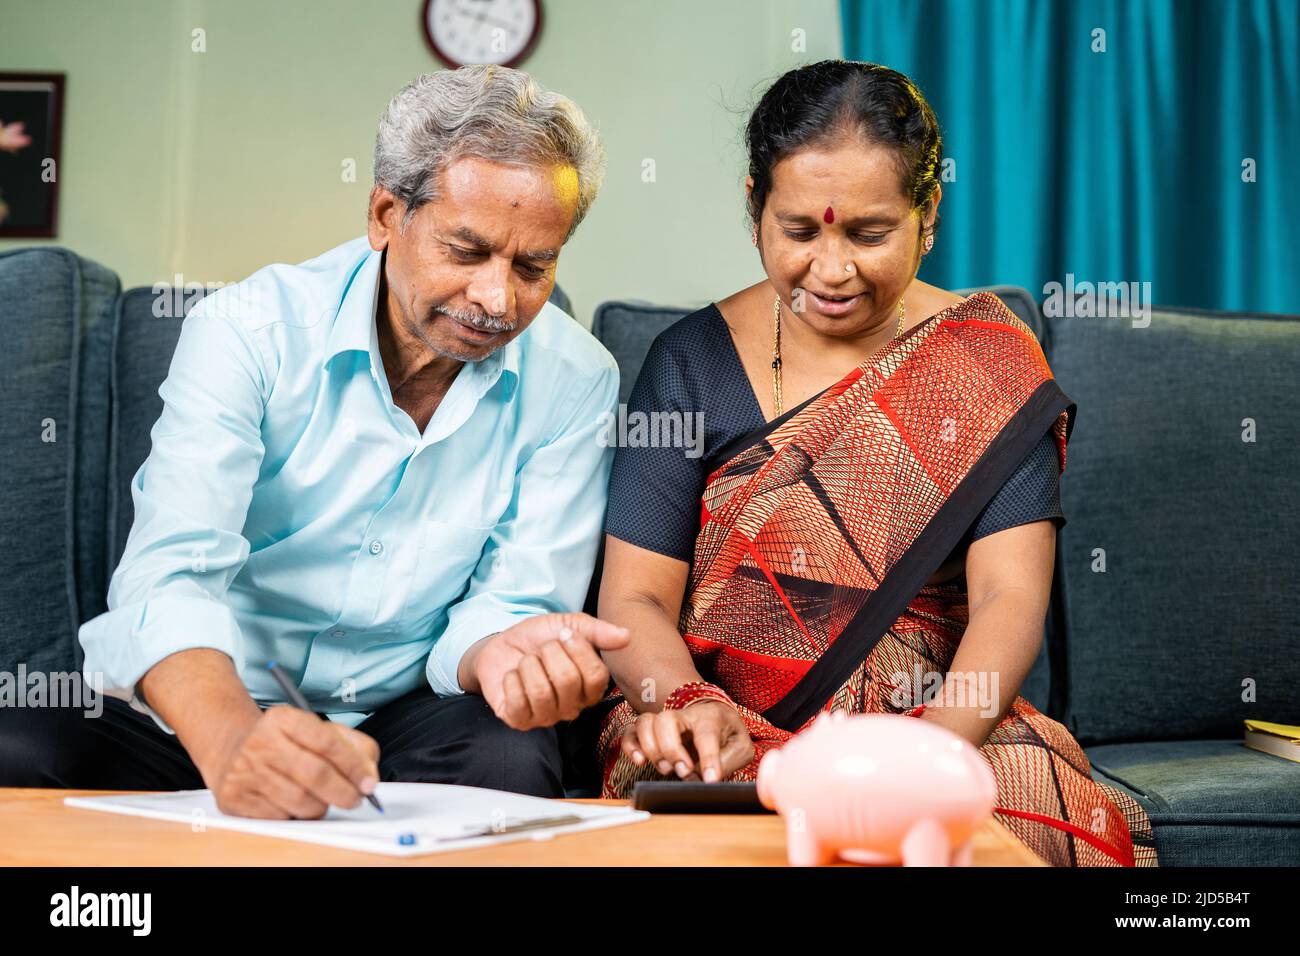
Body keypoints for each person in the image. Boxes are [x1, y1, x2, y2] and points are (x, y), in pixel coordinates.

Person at [0, 65, 628, 818]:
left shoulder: (577, 377)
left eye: (534, 266)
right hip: (212, 707)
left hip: (406, 716)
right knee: (23, 750)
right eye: (467, 251)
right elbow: (168, 580)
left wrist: (502, 651)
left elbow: (512, 600)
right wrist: (235, 743)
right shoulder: (247, 331)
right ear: (385, 215)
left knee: (507, 754)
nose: (498, 299)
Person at [593, 60, 1157, 867]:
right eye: (798, 231)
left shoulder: (989, 363)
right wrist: (682, 701)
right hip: (726, 719)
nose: (831, 270)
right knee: (689, 788)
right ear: (754, 204)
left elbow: (1007, 597)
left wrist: (928, 758)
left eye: (868, 233)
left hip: (932, 714)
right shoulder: (688, 362)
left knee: (1024, 807)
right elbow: (636, 597)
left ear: (928, 213)